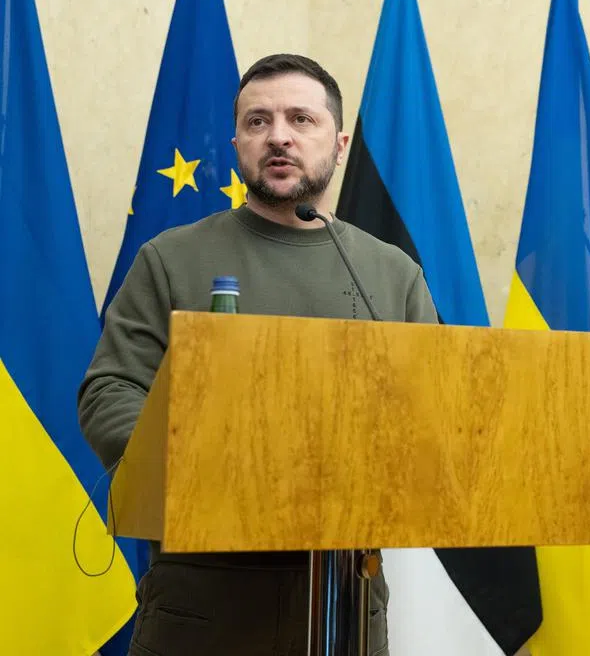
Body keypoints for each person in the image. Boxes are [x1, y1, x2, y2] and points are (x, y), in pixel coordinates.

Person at [79, 53, 436, 656]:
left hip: (346, 600)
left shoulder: (391, 271)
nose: (279, 136)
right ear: (237, 141)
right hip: (204, 601)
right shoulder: (170, 258)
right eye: (258, 121)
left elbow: (434, 408)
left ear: (339, 141)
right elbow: (110, 393)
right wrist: (205, 466)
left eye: (301, 119)